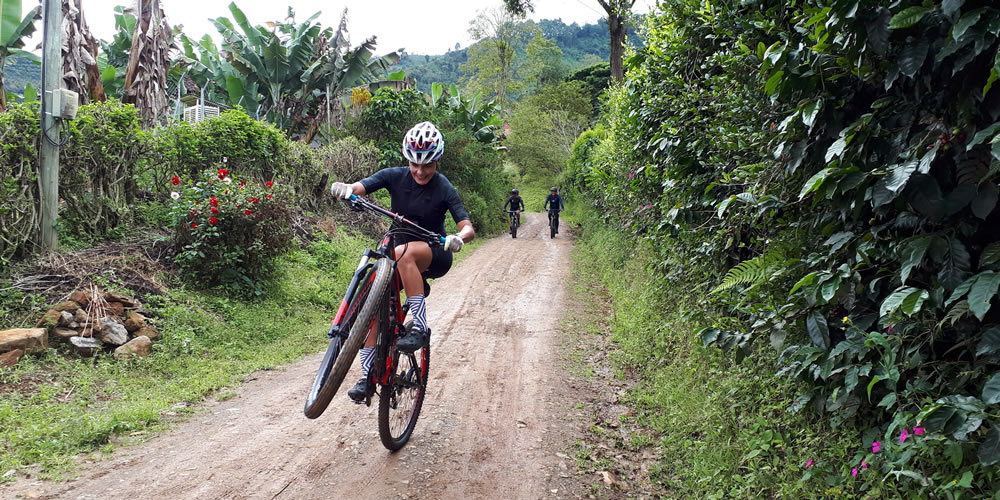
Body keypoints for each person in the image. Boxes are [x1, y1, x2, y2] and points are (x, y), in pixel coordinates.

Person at [330, 121, 475, 402]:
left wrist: (459, 237)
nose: (420, 171)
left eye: (428, 166)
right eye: (414, 164)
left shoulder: (444, 187)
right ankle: (367, 374)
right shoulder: (393, 175)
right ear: (407, 159)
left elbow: (467, 225)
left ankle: (420, 326)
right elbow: (361, 186)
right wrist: (346, 188)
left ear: (438, 161)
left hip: (433, 253)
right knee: (373, 307)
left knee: (404, 251)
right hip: (397, 256)